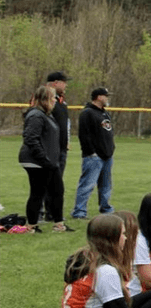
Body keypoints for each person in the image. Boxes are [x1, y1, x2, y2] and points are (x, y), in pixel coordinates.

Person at [19, 86, 71, 233]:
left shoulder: (46, 115)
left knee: (56, 190)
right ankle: (32, 226)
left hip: (47, 161)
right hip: (37, 161)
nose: (55, 100)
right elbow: (30, 138)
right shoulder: (36, 115)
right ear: (44, 99)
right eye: (52, 98)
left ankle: (58, 224)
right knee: (38, 192)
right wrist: (43, 158)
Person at [72, 87, 115, 220]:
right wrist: (91, 152)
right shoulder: (88, 113)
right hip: (94, 157)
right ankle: (79, 212)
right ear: (98, 97)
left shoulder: (104, 113)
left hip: (107, 155)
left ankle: (106, 208)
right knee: (87, 185)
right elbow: (84, 135)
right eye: (105, 96)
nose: (107, 98)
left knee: (106, 185)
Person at [43, 72, 70, 222]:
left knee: (57, 183)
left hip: (61, 148)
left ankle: (52, 213)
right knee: (46, 182)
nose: (66, 85)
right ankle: (41, 213)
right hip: (49, 149)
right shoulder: (44, 100)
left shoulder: (61, 101)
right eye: (64, 82)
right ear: (55, 83)